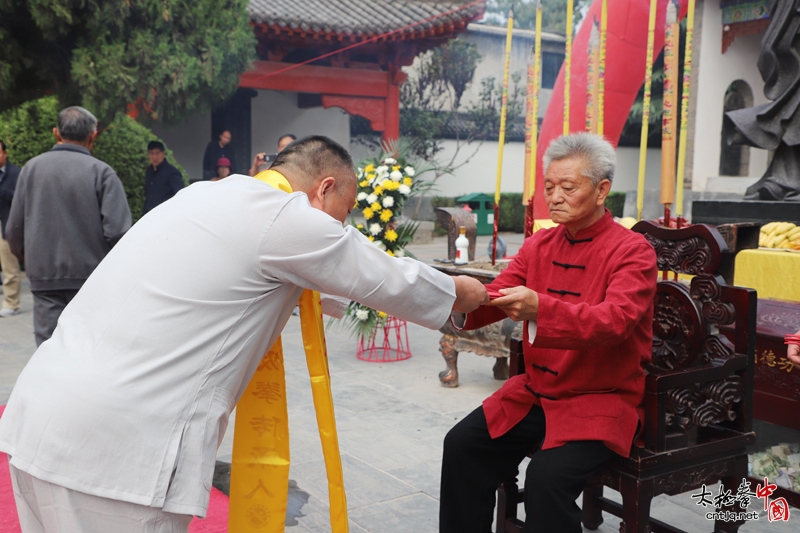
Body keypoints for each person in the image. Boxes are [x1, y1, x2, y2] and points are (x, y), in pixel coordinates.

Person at [0, 135, 487, 532]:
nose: (341, 228)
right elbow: (379, 275)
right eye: (343, 216)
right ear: (324, 188)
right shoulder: (282, 215)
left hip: (40, 417)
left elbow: (319, 288)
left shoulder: (202, 194)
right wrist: (461, 294)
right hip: (116, 448)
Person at [439, 133, 658, 533]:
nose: (554, 197)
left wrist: (543, 308)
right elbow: (497, 293)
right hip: (536, 393)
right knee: (462, 446)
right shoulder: (539, 244)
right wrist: (455, 298)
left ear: (601, 190)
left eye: (568, 187)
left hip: (600, 400)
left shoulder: (633, 250)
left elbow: (616, 320)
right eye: (549, 187)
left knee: (546, 480)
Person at [5, 106, 132, 346]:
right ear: (93, 136)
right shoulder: (102, 173)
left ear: (56, 133)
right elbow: (118, 232)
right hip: (91, 279)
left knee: (48, 350)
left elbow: (13, 230)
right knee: (90, 349)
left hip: (44, 277)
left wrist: (32, 258)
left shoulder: (31, 169)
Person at [0, 140, 22, 317]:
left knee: (9, 268)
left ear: (5, 154)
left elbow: (21, 198)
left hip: (6, 225)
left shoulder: (16, 173)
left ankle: (11, 303)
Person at [142, 141, 184, 216]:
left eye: (157, 153)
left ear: (163, 154)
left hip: (165, 214)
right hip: (149, 214)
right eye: (152, 153)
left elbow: (180, 195)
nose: (154, 157)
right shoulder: (149, 171)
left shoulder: (172, 173)